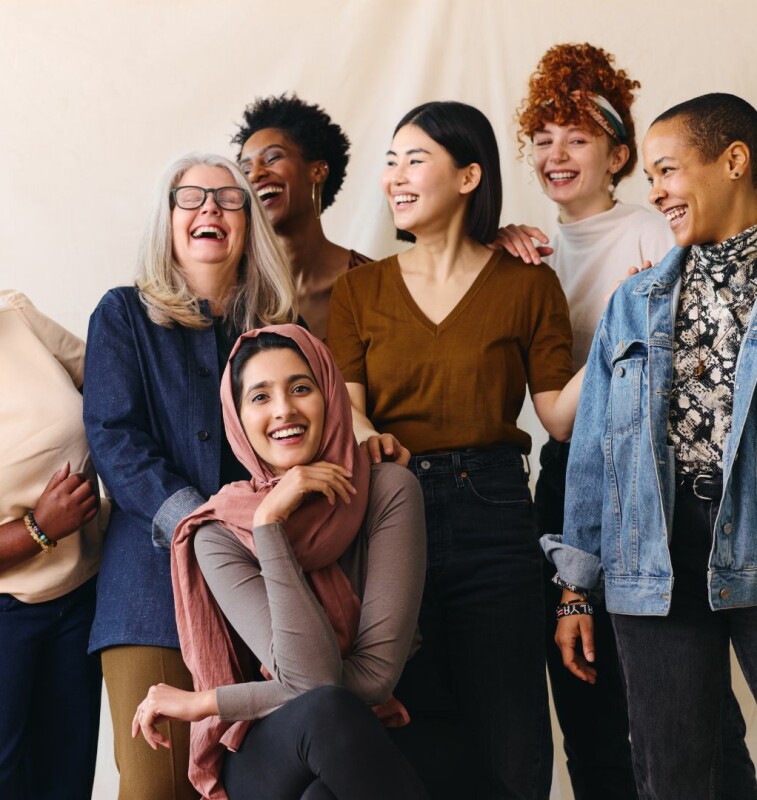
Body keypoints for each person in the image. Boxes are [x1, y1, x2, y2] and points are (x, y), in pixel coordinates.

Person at [508, 43, 757, 800]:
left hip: (651, 478)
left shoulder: (659, 232)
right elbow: (554, 420)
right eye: (543, 139)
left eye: (577, 138)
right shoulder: (522, 254)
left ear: (619, 152)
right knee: (583, 699)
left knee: (687, 705)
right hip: (568, 480)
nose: (557, 155)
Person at [544, 92, 757, 798]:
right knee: (674, 777)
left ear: (734, 162)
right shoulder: (634, 302)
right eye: (650, 177)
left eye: (666, 171)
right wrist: (575, 590)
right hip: (650, 560)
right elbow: (594, 451)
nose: (654, 192)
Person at [328, 100, 583, 800]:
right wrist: (362, 435)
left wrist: (628, 318)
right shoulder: (358, 290)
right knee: (406, 726)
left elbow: (559, 416)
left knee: (510, 730)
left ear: (469, 176)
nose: (395, 176)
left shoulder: (528, 285)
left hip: (495, 510)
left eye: (415, 159)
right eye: (390, 161)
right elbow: (346, 407)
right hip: (388, 509)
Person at [132, 325, 429, 800]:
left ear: (330, 395)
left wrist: (208, 702)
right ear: (237, 419)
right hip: (267, 748)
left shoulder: (388, 490)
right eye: (260, 397)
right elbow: (315, 689)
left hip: (359, 734)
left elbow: (373, 677)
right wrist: (269, 522)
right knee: (326, 712)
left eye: (300, 388)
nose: (284, 410)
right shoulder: (219, 531)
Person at [83, 153, 295, 800]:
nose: (210, 209)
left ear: (250, 224)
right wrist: (200, 522)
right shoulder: (122, 315)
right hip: (147, 597)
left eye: (229, 200)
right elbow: (114, 440)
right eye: (192, 198)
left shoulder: (279, 332)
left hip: (260, 592)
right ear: (169, 219)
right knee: (155, 788)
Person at [0, 290, 103, 800]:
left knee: (66, 781)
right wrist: (39, 528)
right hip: (5, 616)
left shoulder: (15, 315)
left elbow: (110, 384)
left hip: (81, 595)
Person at [233, 93, 370, 340]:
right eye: (245, 170)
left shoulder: (372, 281)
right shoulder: (234, 288)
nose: (255, 175)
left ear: (317, 171)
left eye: (272, 158)